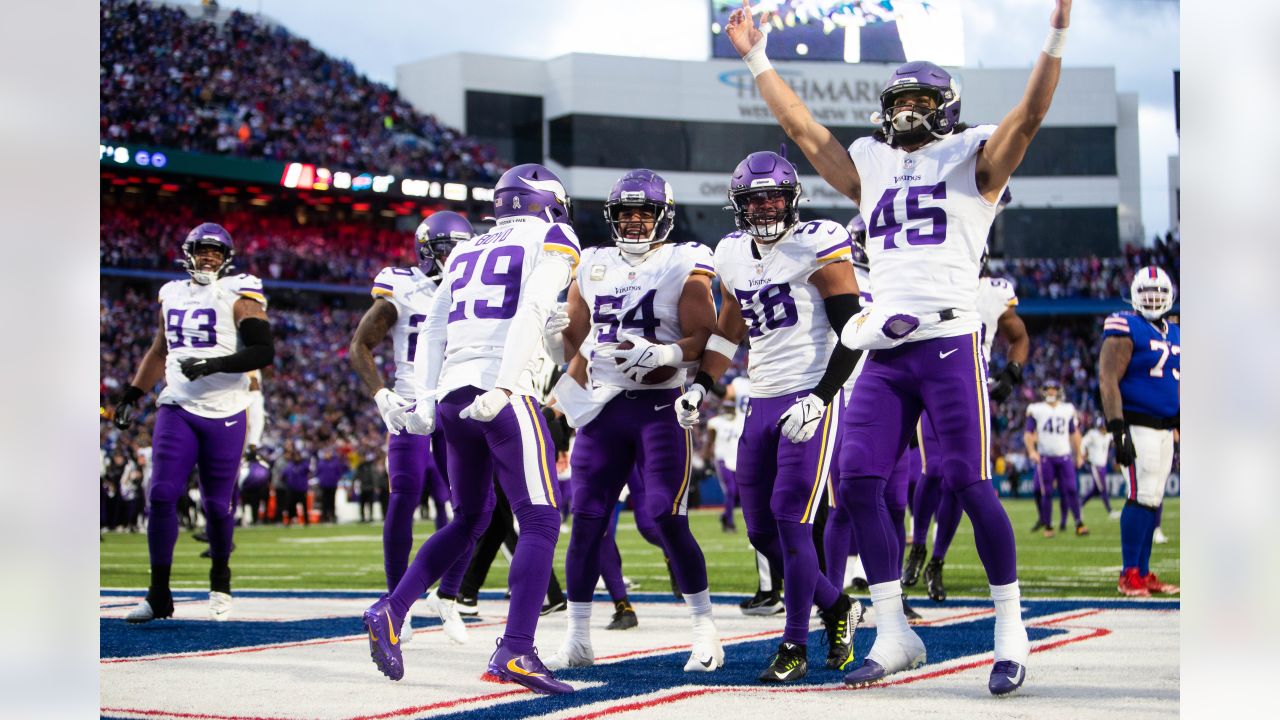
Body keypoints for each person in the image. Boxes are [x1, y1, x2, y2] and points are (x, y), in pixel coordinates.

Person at [724, 0, 1072, 694]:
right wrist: (756, 57)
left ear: (946, 107)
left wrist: (1057, 31)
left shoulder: (973, 156)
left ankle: (1011, 627)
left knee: (968, 481)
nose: (908, 110)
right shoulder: (871, 162)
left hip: (946, 340)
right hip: (883, 346)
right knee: (856, 487)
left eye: (921, 100)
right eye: (900, 99)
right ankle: (893, 630)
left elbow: (1028, 117)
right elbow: (800, 126)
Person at [365, 163, 580, 695]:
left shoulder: (466, 249)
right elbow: (531, 306)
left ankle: (393, 609)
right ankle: (518, 649)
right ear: (548, 202)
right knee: (540, 518)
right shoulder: (554, 234)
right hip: (502, 392)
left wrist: (429, 399)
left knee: (471, 518)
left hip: (454, 392)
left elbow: (435, 328)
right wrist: (506, 385)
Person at [676, 151, 864, 683]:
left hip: (809, 394)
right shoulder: (732, 252)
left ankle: (794, 644)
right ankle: (839, 606)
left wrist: (823, 397)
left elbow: (852, 330)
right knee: (760, 530)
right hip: (761, 398)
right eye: (754, 199)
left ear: (793, 198)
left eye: (774, 196)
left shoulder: (818, 241)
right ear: (739, 205)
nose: (765, 207)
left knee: (791, 521)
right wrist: (702, 385)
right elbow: (729, 328)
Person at [543, 168, 723, 674]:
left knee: (667, 515)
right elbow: (575, 342)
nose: (636, 221)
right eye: (626, 212)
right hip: (603, 408)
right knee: (586, 524)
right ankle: (578, 638)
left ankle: (705, 629)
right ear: (612, 217)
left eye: (645, 211)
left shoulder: (683, 259)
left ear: (663, 215)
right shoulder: (592, 263)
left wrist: (665, 352)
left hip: (661, 405)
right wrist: (556, 342)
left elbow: (705, 335)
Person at [113, 222, 274, 622]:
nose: (209, 258)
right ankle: (158, 594)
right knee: (162, 494)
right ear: (189, 253)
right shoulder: (170, 293)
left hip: (225, 409)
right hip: (178, 406)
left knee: (218, 505)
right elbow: (157, 350)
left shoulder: (239, 292)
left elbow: (262, 350)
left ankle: (220, 581)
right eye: (203, 250)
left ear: (227, 259)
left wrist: (215, 364)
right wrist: (134, 393)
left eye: (217, 253)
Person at [349, 211, 469, 635]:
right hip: (412, 402)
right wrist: (382, 395)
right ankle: (395, 598)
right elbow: (360, 345)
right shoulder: (403, 285)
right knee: (405, 494)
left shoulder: (477, 285)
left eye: (460, 247)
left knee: (466, 506)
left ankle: (449, 595)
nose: (455, 256)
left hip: (457, 401)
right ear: (424, 250)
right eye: (445, 249)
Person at [907, 259, 1030, 602]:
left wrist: (1012, 373)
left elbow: (1019, 337)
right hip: (931, 383)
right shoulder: (927, 277)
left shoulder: (993, 291)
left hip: (972, 386)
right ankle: (917, 545)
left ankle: (937, 560)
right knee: (932, 471)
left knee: (958, 480)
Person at [1100, 266, 1180, 597]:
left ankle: (1143, 572)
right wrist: (1118, 429)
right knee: (1140, 496)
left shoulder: (1174, 330)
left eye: (1159, 294)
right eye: (1147, 294)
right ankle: (1129, 573)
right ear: (1135, 295)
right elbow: (1108, 379)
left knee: (1153, 498)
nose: (1153, 300)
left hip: (1164, 428)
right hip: (1137, 424)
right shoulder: (1125, 324)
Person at [1024, 380, 1085, 536]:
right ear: (1044, 391)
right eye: (1048, 389)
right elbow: (1028, 433)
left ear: (1058, 391)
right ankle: (1048, 526)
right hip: (1046, 457)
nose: (1051, 392)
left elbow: (1074, 433)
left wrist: (1078, 454)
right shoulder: (1036, 409)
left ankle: (1079, 523)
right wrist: (1031, 451)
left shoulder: (1067, 409)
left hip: (1064, 456)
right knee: (1047, 492)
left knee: (1071, 489)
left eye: (1053, 389)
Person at [1079, 416, 1118, 519]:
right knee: (1102, 488)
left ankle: (1079, 505)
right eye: (1102, 427)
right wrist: (1083, 454)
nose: (1104, 429)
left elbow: (1115, 440)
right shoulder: (1093, 434)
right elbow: (1082, 443)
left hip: (1103, 466)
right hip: (1095, 466)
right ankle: (1110, 511)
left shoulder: (1108, 435)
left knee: (1095, 490)